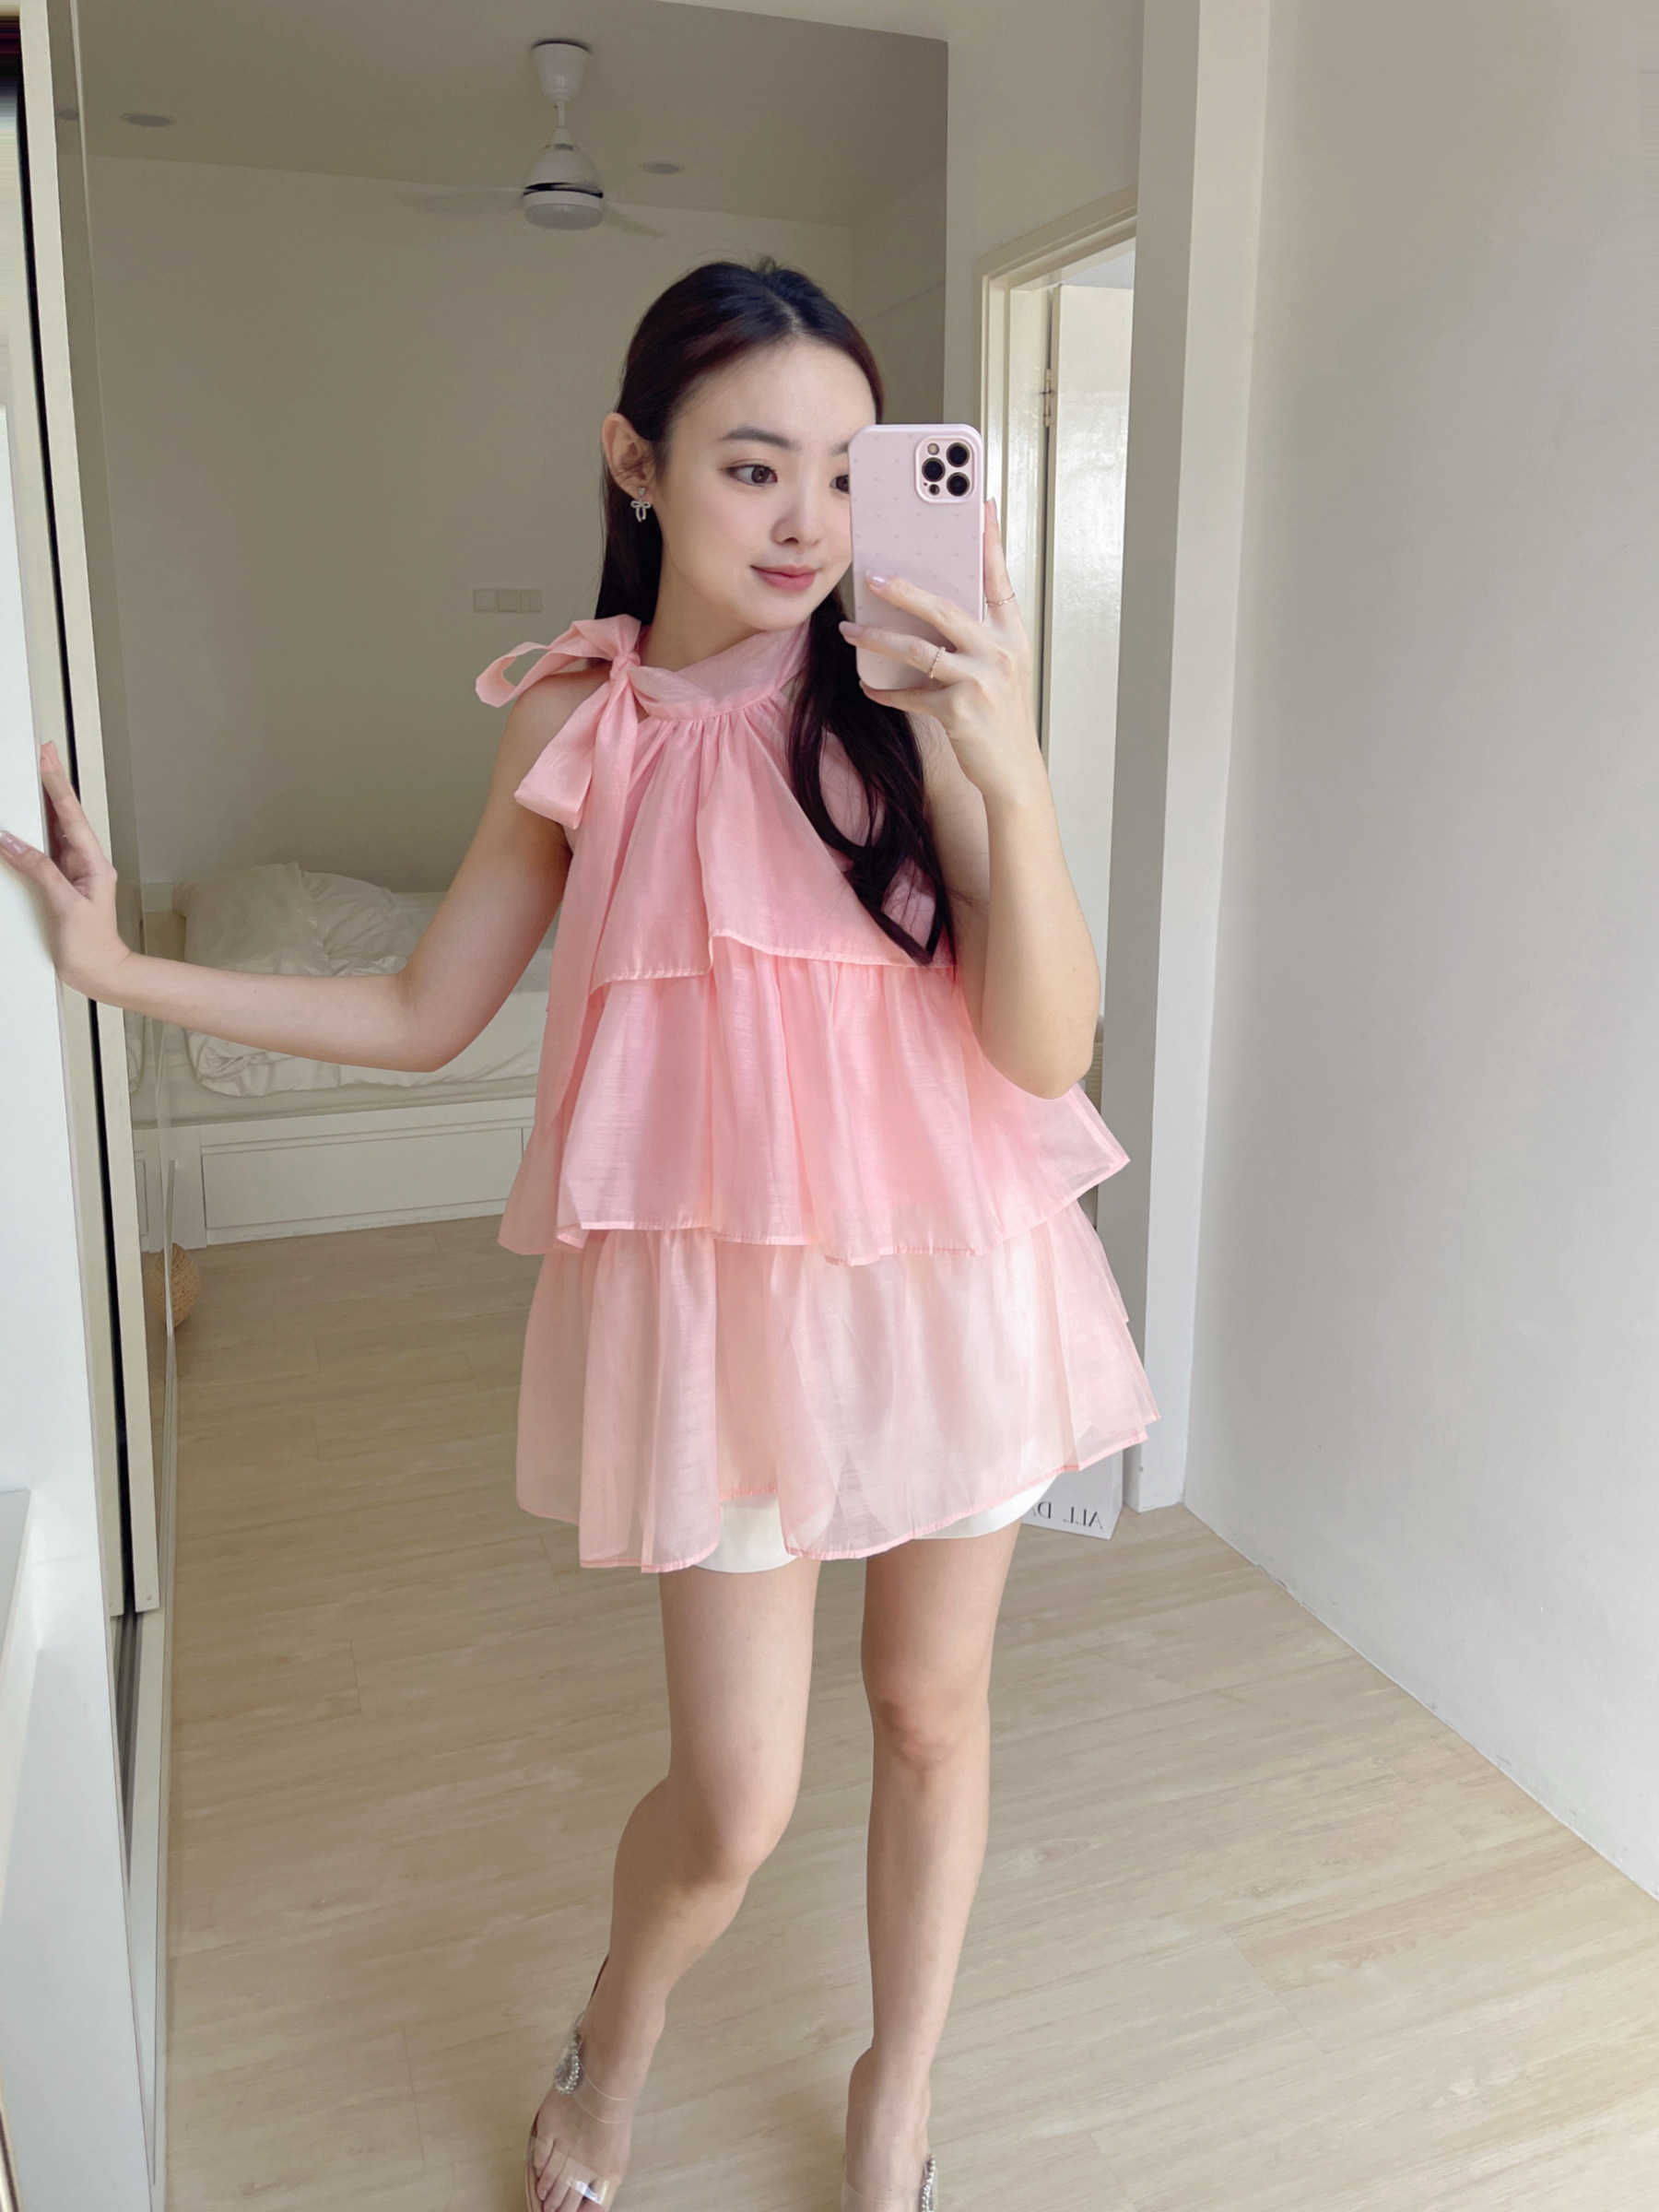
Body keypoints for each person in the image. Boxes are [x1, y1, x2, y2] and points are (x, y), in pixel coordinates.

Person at [0, 258, 1157, 2212]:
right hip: (723, 1308)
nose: (806, 523)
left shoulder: (904, 693)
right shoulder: (583, 718)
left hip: (949, 1268)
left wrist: (1011, 756)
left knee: (930, 1710)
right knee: (735, 1800)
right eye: (751, 467)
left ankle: (898, 2090)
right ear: (636, 461)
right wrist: (123, 973)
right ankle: (613, 2038)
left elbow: (1045, 1047)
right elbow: (423, 1008)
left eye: (843, 473)